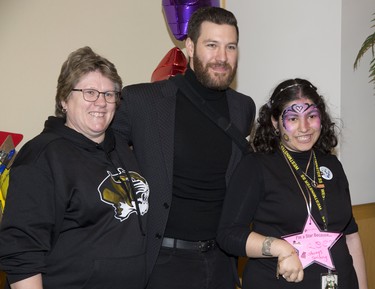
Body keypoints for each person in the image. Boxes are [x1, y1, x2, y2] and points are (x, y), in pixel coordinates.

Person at [111, 6, 256, 289]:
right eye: (211, 45)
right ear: (190, 46)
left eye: (230, 47)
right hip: (163, 263)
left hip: (222, 263)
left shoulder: (243, 108)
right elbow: (97, 148)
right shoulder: (143, 101)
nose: (222, 57)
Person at [0, 46, 150, 289]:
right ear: (63, 99)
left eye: (109, 94)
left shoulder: (122, 148)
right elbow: (21, 252)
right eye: (89, 92)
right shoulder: (42, 157)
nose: (101, 102)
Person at [217, 78, 368, 289]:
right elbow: (228, 235)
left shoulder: (332, 165)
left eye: (312, 116)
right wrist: (280, 248)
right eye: (293, 118)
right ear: (275, 122)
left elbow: (350, 236)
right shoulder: (256, 166)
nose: (304, 127)